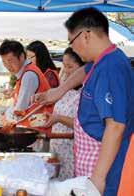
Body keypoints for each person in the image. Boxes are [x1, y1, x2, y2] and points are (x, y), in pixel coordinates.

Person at [33, 7, 134, 196]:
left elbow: (116, 126)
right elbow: (84, 71)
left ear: (86, 35)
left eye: (72, 42)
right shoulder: (104, 59)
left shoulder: (111, 68)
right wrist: (59, 90)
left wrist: (98, 178)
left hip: (106, 167)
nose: (73, 49)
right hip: (91, 159)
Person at [43, 47, 84, 180]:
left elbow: (82, 125)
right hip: (57, 149)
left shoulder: (85, 92)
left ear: (83, 68)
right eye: (64, 66)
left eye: (70, 66)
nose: (65, 71)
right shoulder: (66, 87)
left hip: (72, 153)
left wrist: (58, 118)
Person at [0, 40, 53, 132]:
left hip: (37, 131)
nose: (7, 66)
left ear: (22, 57)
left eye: (10, 61)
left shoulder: (28, 75)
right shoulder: (24, 73)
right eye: (4, 62)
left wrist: (5, 117)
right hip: (32, 128)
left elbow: (19, 111)